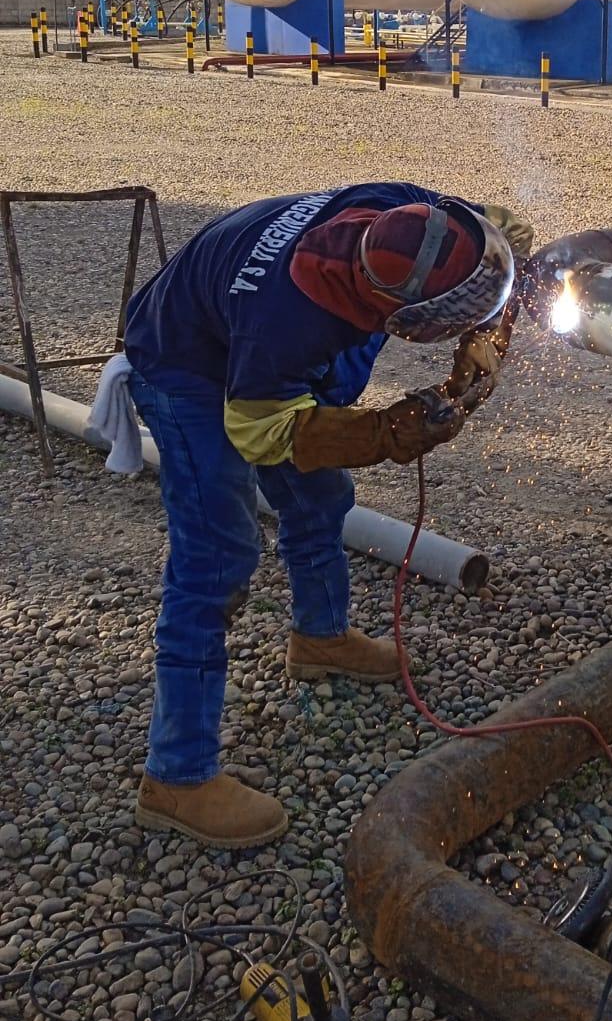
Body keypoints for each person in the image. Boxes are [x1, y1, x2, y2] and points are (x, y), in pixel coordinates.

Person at [122, 183, 533, 849]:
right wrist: (382, 434)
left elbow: (504, 229)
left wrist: (488, 326)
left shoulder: (401, 210)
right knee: (218, 554)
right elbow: (260, 432)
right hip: (186, 365)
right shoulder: (287, 323)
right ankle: (176, 775)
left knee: (318, 497)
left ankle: (320, 637)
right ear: (406, 320)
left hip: (248, 332)